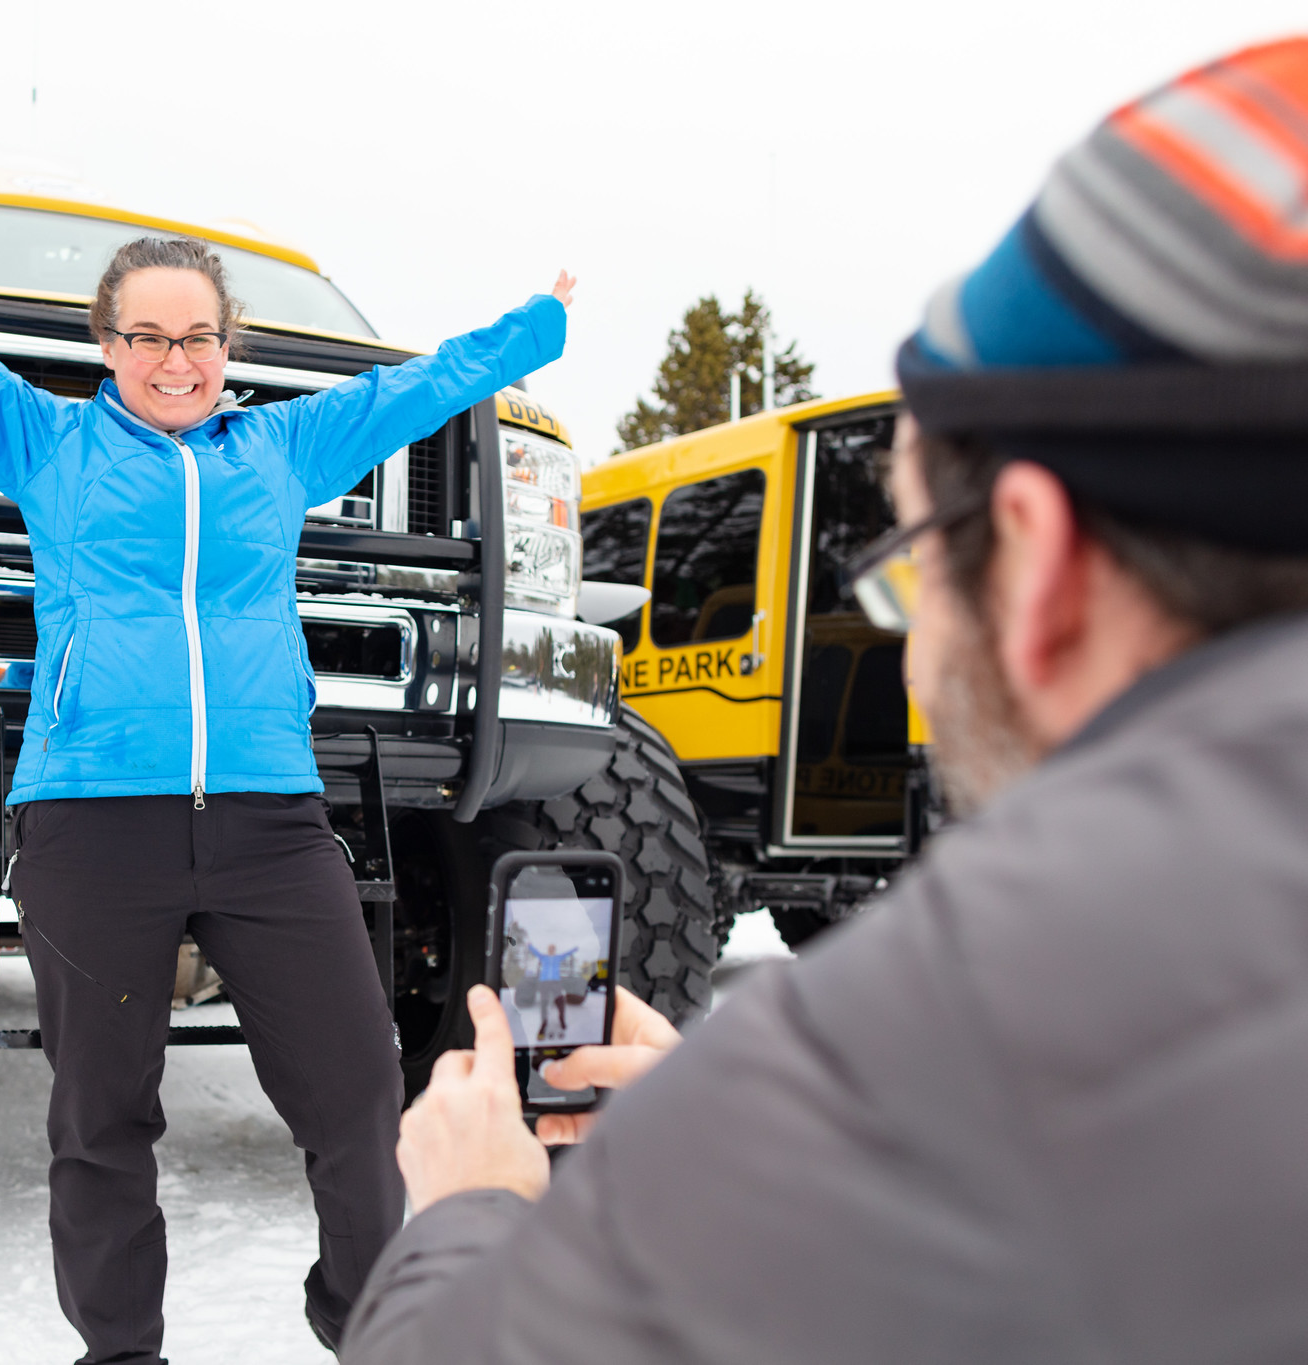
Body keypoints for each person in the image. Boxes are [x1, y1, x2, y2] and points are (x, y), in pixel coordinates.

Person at [341, 36, 1308, 1364]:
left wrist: (469, 1212)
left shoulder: (971, 1024)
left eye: (916, 572)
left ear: (1040, 560)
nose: (905, 645)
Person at [0, 95, 574, 1363]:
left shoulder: (288, 449)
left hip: (267, 823)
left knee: (357, 1094)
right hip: (93, 825)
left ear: (227, 342)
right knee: (100, 1120)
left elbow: (431, 383)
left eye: (195, 335)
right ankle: (121, 1352)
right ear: (106, 345)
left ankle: (368, 1325)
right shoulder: (44, 443)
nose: (174, 359)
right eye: (145, 336)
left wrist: (541, 324)